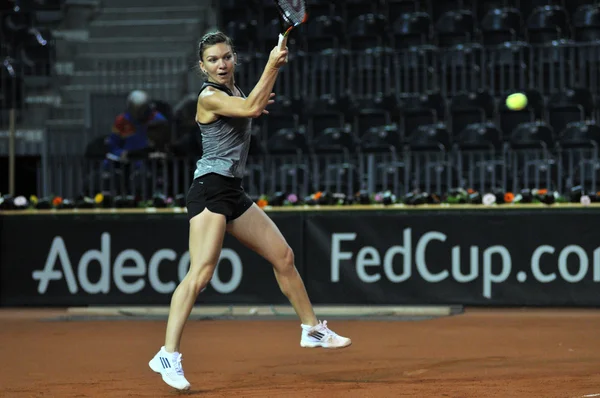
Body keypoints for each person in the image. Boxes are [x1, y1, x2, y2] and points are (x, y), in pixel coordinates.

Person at [148, 31, 351, 391]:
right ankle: (168, 354)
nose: (221, 64)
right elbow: (253, 109)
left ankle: (312, 330)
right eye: (213, 60)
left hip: (233, 192)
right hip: (209, 189)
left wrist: (264, 83)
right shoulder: (210, 97)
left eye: (226, 57)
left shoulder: (235, 91)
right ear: (203, 66)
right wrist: (273, 64)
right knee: (200, 274)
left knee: (283, 256)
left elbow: (251, 104)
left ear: (234, 58)